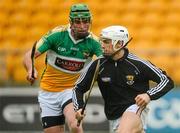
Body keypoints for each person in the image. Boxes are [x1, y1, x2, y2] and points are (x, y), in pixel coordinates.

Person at [72, 25, 174, 133]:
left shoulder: (138, 64)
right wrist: (79, 107)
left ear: (119, 43)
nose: (101, 45)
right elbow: (78, 87)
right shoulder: (98, 64)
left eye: (106, 41)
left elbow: (167, 80)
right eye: (101, 41)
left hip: (135, 109)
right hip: (113, 117)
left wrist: (149, 95)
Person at [23, 3, 102, 133]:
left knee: (75, 126)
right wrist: (31, 69)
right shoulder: (56, 35)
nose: (83, 26)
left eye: (86, 21)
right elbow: (28, 56)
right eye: (78, 22)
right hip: (48, 91)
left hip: (72, 90)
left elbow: (104, 62)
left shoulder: (94, 42)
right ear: (70, 22)